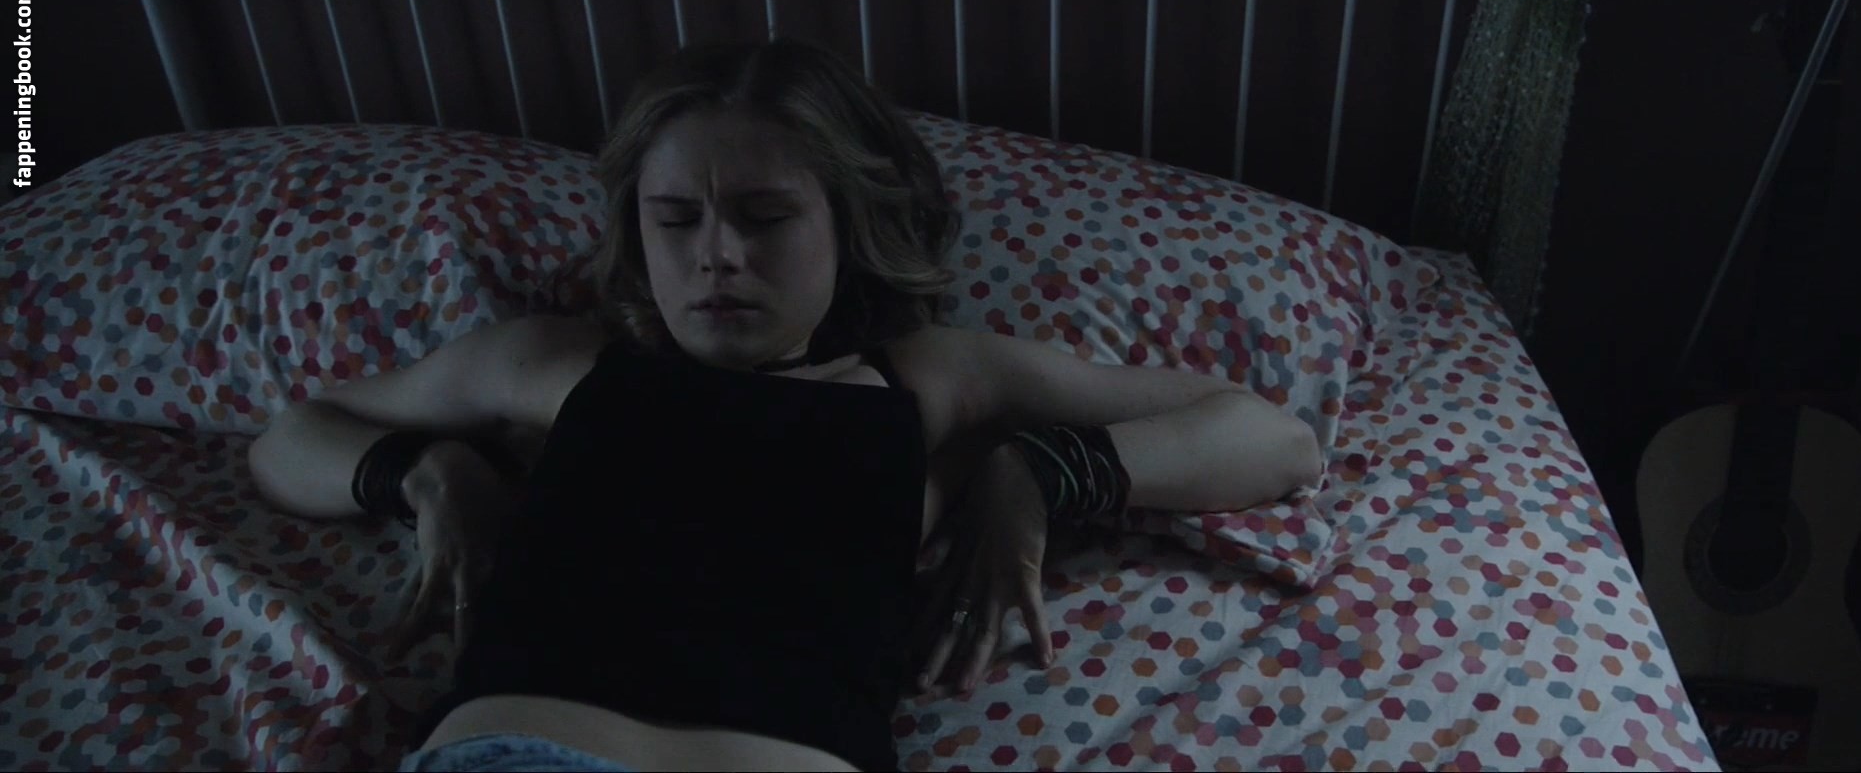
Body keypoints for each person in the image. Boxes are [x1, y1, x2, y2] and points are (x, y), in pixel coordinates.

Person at [247, 38, 1322, 773]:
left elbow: (1273, 439)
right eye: (676, 219)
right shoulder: (558, 364)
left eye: (765, 218)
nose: (717, 255)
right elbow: (290, 437)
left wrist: (1040, 471)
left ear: (848, 221)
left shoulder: (922, 377)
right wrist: (428, 473)